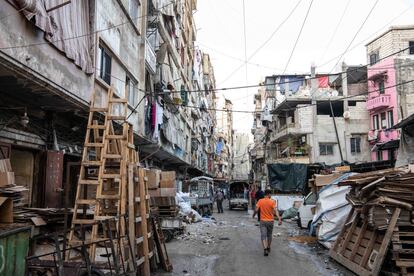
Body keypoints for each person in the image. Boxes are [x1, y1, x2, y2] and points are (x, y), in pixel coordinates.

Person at [252, 189, 282, 256]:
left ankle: (265, 249)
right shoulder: (272, 201)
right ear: (268, 194)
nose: (270, 195)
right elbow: (275, 210)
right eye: (270, 194)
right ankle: (268, 247)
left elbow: (256, 210)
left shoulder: (260, 201)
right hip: (270, 221)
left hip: (263, 221)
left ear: (264, 194)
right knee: (269, 235)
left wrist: (253, 215)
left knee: (263, 235)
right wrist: (279, 218)